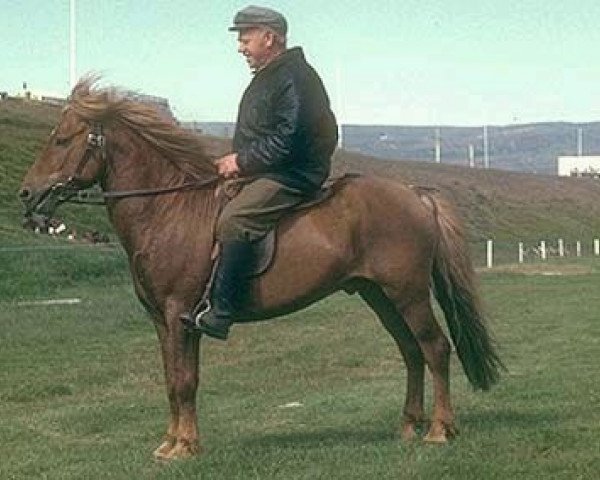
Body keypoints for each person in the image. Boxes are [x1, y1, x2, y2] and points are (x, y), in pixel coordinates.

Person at [180, 5, 339, 340]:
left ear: (270, 38)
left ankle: (223, 309)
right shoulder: (273, 75)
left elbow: (288, 139)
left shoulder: (294, 77)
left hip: (294, 173)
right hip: (271, 168)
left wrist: (240, 162)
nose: (240, 46)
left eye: (245, 37)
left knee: (234, 219)